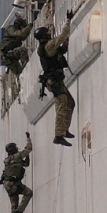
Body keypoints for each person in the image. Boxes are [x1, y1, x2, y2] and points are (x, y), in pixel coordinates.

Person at [35, 10, 76, 146]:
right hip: (54, 81)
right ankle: (58, 135)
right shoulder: (48, 46)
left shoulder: (49, 47)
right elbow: (62, 36)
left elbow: (62, 49)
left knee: (70, 103)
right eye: (47, 33)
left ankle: (64, 130)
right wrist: (68, 20)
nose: (49, 34)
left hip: (57, 80)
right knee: (61, 105)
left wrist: (66, 42)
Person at [0, 133, 33, 213]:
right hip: (13, 183)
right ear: (13, 149)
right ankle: (20, 211)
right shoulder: (17, 156)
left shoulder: (7, 160)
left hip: (7, 184)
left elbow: (24, 164)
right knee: (28, 193)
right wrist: (28, 139)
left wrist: (27, 159)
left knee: (14, 204)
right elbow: (28, 149)